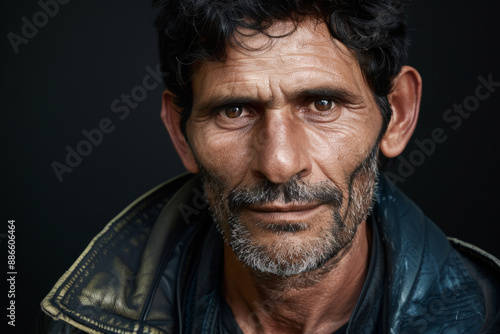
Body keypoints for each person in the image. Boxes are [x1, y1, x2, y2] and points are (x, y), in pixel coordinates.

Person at [39, 0, 500, 333]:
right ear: (181, 134)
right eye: (235, 111)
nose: (279, 164)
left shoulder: (487, 317)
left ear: (396, 113)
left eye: (322, 104)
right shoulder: (77, 324)